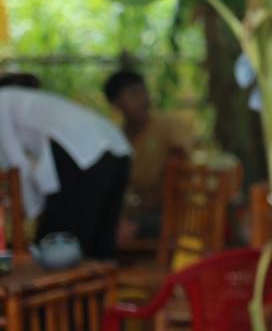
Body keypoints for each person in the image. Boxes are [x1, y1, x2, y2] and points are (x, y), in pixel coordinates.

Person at [0, 85, 131, 258]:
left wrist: (29, 213)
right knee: (101, 238)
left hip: (84, 151)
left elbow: (17, 168)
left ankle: (64, 283)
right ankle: (101, 284)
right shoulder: (15, 98)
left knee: (58, 240)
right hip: (118, 148)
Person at [103, 69, 197, 240]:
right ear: (115, 104)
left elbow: (180, 173)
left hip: (177, 210)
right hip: (140, 213)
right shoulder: (115, 139)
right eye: (133, 94)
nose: (144, 100)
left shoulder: (169, 126)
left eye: (144, 92)